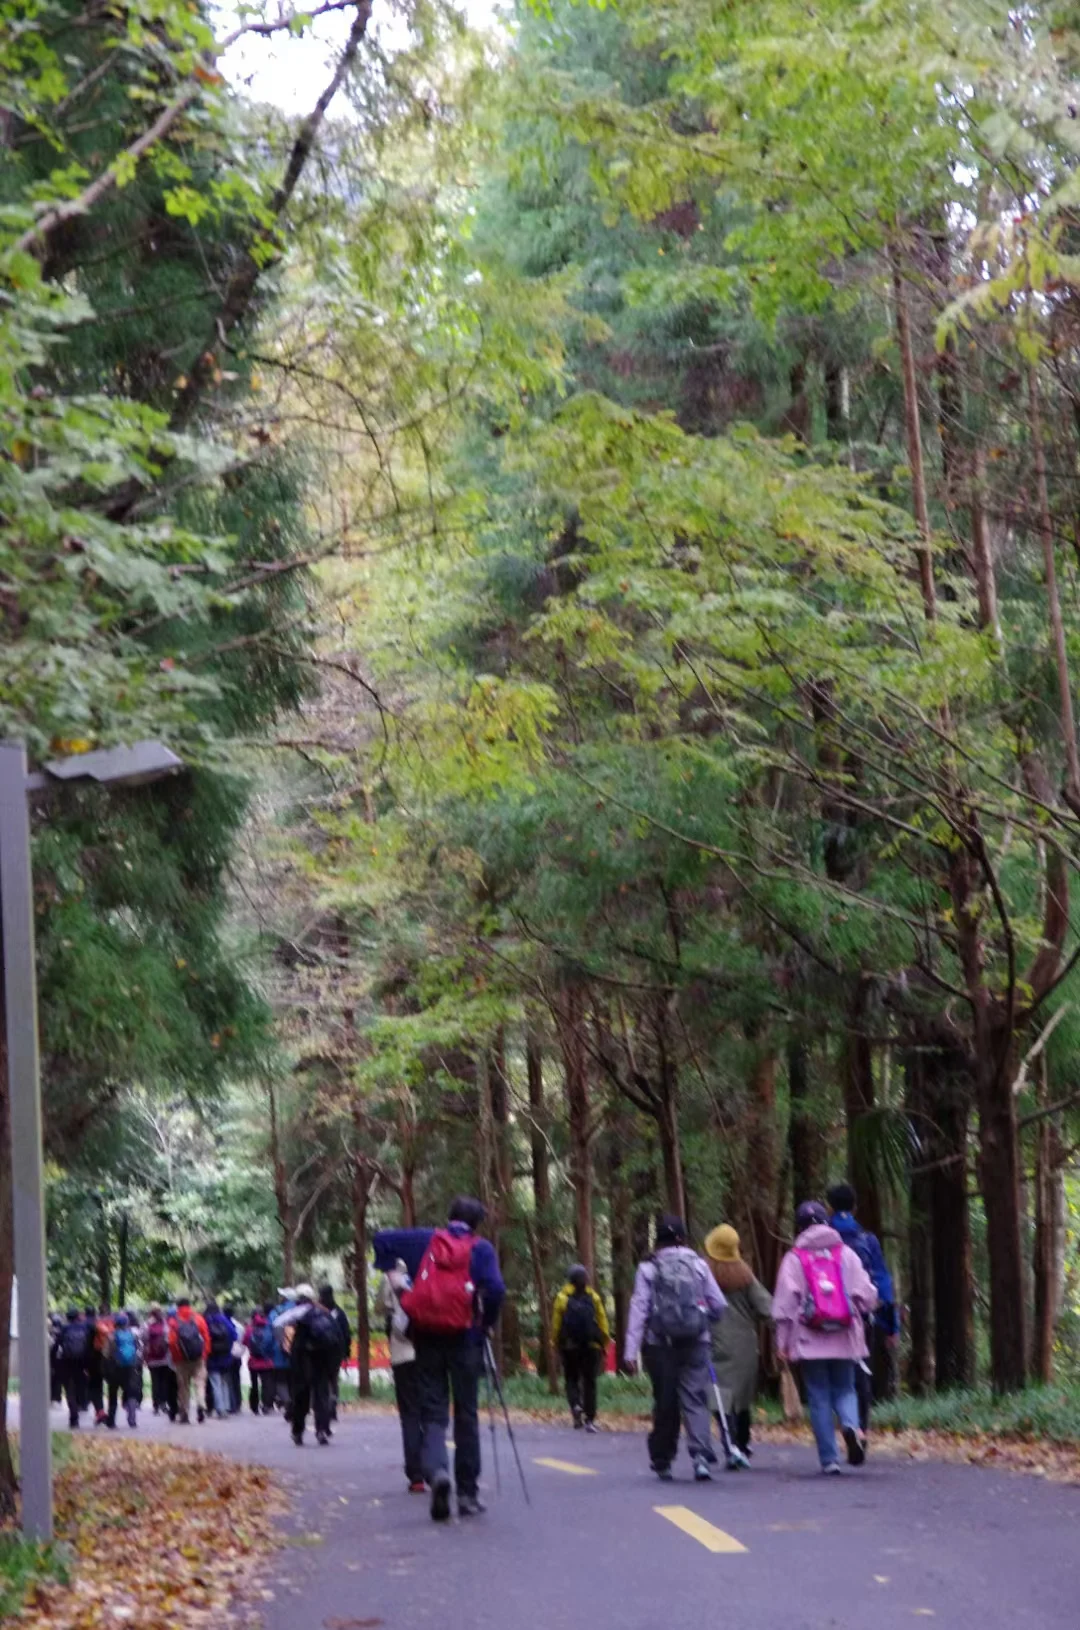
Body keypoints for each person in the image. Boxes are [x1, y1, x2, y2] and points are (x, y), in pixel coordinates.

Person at [373, 1195, 505, 1522]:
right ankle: (467, 1493)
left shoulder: (425, 1240)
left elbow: (381, 1239)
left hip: (428, 1339)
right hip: (467, 1340)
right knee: (467, 1414)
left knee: (433, 1412)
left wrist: (398, 1281)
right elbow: (497, 1289)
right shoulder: (481, 1249)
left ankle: (437, 1473)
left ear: (450, 1217)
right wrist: (485, 1323)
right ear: (476, 1224)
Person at [773, 1200, 878, 1475]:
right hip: (844, 1335)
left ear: (800, 1227)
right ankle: (851, 1427)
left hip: (809, 1338)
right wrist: (864, 1311)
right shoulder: (845, 1254)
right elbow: (866, 1293)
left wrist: (782, 1343)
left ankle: (829, 1459)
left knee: (818, 1396)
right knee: (846, 1388)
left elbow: (785, 1305)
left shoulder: (794, 1258)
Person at [625, 1214, 726, 1483]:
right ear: (683, 1238)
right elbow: (719, 1304)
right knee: (695, 1398)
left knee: (666, 1401)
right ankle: (701, 1457)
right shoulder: (699, 1265)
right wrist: (704, 1322)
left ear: (658, 1240)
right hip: (696, 1341)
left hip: (661, 1345)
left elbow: (639, 1309)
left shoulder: (649, 1267)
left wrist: (630, 1351)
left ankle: (663, 1461)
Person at [826, 1182, 900, 1433]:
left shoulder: (818, 1240)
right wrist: (891, 1326)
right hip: (860, 1316)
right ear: (855, 1207)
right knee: (859, 1368)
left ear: (829, 1207)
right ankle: (860, 1430)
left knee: (826, 1373)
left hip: (821, 1316)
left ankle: (835, 1426)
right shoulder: (867, 1240)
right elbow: (881, 1281)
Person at [704, 1224, 773, 1458]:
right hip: (743, 1344)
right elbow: (766, 1307)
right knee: (742, 1398)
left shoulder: (704, 1272)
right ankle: (742, 1442)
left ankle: (728, 1439)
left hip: (713, 1339)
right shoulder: (745, 1274)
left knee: (719, 1395)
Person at [376, 1259, 425, 1492]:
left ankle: (416, 1475)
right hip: (430, 1353)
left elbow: (379, 1308)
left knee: (410, 1414)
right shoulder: (428, 1269)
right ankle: (436, 1468)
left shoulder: (390, 1276)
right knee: (432, 1411)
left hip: (402, 1353)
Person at [275, 1283, 341, 1446]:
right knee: (321, 1395)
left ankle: (298, 1431)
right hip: (322, 1359)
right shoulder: (324, 1312)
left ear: (298, 1298)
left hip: (303, 1358)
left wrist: (285, 1346)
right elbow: (337, 1335)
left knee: (301, 1396)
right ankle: (322, 1430)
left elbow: (277, 1324)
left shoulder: (299, 1311)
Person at [551, 1264, 610, 1432]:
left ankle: (576, 1405)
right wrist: (603, 1342)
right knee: (590, 1381)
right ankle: (590, 1419)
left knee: (571, 1378)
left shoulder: (562, 1297)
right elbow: (603, 1322)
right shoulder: (594, 1297)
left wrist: (555, 1342)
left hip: (569, 1346)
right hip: (591, 1346)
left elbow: (556, 1324)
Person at [168, 1296, 210, 1424]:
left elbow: (171, 1341)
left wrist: (177, 1357)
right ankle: (201, 1404)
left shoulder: (174, 1321)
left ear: (178, 1306)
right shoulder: (198, 1319)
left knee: (183, 1387)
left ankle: (184, 1413)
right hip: (198, 1358)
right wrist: (204, 1354)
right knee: (200, 1384)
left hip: (181, 1360)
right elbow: (206, 1338)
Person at [318, 1284, 352, 1424]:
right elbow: (346, 1334)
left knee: (323, 1381)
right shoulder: (339, 1312)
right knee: (333, 1380)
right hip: (336, 1352)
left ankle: (325, 1408)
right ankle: (332, 1408)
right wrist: (346, 1352)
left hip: (320, 1351)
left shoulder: (318, 1311)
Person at [106, 1312, 142, 1429]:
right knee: (131, 1392)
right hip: (130, 1367)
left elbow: (107, 1353)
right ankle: (132, 1420)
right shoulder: (133, 1335)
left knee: (113, 1393)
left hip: (115, 1368)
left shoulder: (112, 1336)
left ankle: (111, 1421)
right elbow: (138, 1349)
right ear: (127, 1323)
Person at [57, 1307, 90, 1429]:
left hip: (67, 1362)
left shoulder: (65, 1329)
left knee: (69, 1389)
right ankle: (82, 1404)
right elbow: (88, 1347)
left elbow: (58, 1345)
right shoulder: (84, 1328)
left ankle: (73, 1417)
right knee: (80, 1386)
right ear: (77, 1317)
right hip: (81, 1363)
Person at [205, 1300, 238, 1418]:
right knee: (224, 1383)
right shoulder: (224, 1320)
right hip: (226, 1357)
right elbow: (235, 1335)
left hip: (212, 1358)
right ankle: (226, 1407)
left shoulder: (206, 1321)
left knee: (215, 1384)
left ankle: (220, 1408)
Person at [243, 1306, 276, 1415]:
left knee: (254, 1384)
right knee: (267, 1384)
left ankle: (254, 1406)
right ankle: (266, 1405)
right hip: (267, 1361)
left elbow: (245, 1342)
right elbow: (274, 1342)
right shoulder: (269, 1326)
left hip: (253, 1361)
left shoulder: (250, 1328)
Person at [269, 1287, 297, 1415]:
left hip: (279, 1352)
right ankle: (295, 1403)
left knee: (280, 1381)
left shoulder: (276, 1312)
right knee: (294, 1379)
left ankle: (287, 1402)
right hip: (297, 1352)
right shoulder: (300, 1311)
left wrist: (267, 1351)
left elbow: (270, 1332)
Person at [144, 1306, 171, 1416]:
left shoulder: (147, 1325)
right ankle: (163, 1404)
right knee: (164, 1382)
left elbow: (143, 1337)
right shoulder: (165, 1324)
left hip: (152, 1358)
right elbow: (168, 1338)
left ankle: (155, 1405)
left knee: (155, 1382)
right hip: (164, 1358)